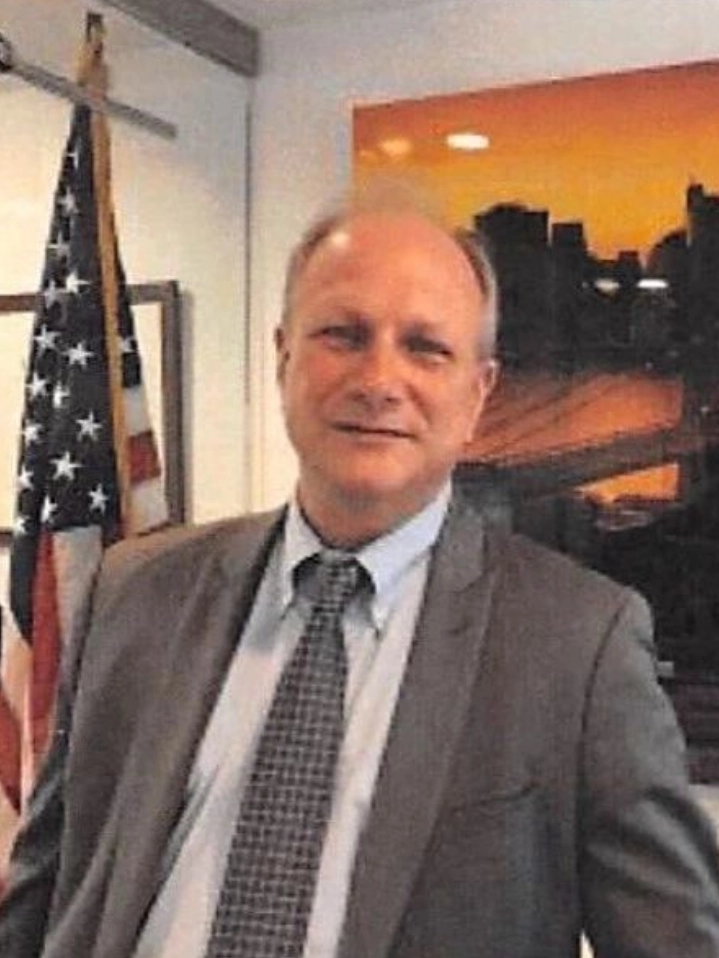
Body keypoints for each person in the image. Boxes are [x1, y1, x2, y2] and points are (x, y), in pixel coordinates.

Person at [2, 190, 719, 958]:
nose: (379, 379)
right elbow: (41, 897)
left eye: (425, 348)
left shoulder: (578, 645)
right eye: (343, 335)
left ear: (477, 394)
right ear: (283, 358)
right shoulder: (134, 593)